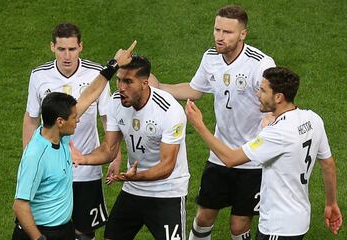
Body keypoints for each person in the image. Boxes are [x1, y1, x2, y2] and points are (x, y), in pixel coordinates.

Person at [149, 5, 276, 240]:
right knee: (204, 216)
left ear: (242, 34)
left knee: (239, 225)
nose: (219, 36)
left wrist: (270, 122)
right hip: (219, 154)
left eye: (227, 32)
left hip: (251, 159)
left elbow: (273, 101)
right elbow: (195, 90)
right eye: (217, 29)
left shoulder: (260, 64)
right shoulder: (210, 58)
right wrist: (159, 87)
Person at [185, 67, 343, 239]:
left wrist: (199, 125)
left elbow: (230, 159)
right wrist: (331, 203)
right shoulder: (312, 119)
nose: (257, 94)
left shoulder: (277, 133)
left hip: (277, 227)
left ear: (278, 97)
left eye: (262, 90)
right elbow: (328, 164)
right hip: (299, 220)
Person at [72, 55, 190, 240]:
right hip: (133, 188)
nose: (121, 88)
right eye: (119, 80)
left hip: (167, 191)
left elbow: (167, 166)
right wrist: (83, 159)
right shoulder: (116, 102)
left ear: (144, 83)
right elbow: (109, 149)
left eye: (128, 82)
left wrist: (136, 176)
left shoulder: (169, 110)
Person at [22, 23, 119, 239]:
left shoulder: (95, 74)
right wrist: (28, 158)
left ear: (81, 47)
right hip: (52, 171)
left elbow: (106, 118)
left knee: (85, 231)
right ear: (52, 47)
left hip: (86, 167)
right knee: (51, 225)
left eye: (72, 49)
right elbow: (30, 118)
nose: (67, 56)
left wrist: (115, 156)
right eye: (61, 49)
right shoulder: (38, 76)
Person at [12, 92, 78, 240]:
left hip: (64, 230)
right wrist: (39, 238)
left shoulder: (60, 136)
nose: (77, 120)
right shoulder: (35, 156)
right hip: (40, 232)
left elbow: (88, 97)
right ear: (60, 121)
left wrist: (109, 71)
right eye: (74, 117)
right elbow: (20, 206)